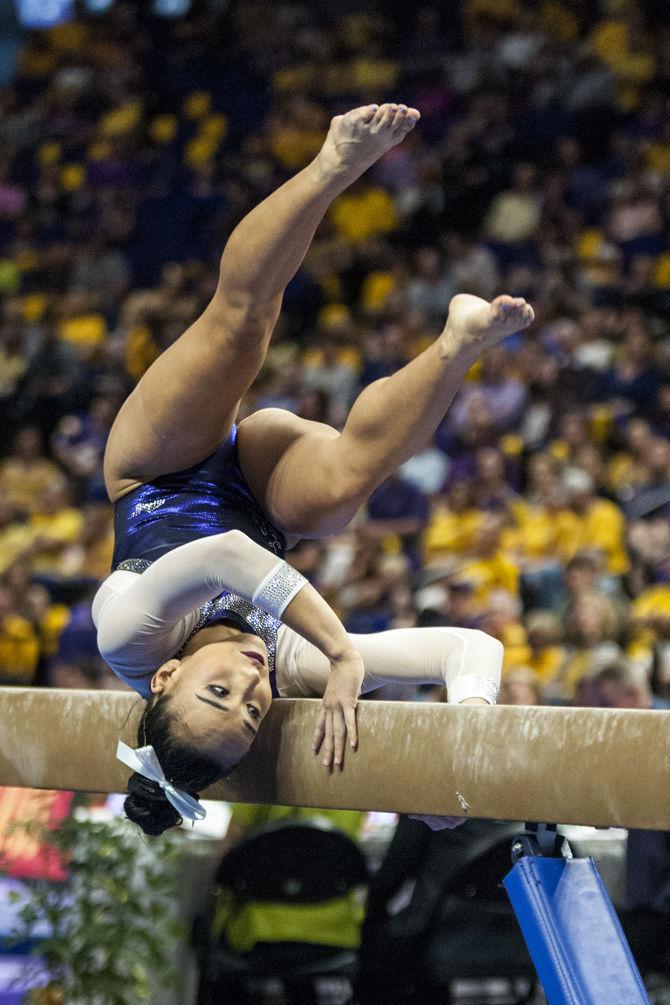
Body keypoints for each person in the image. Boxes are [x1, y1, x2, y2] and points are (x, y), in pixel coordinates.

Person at [92, 103, 534, 836]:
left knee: (239, 329)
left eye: (220, 691)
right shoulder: (285, 660)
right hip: (264, 494)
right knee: (340, 495)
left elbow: (226, 556)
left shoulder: (127, 636)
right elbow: (470, 646)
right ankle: (457, 343)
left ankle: (333, 164)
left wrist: (338, 653)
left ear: (166, 678)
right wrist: (465, 740)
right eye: (255, 710)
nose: (252, 683)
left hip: (158, 471)